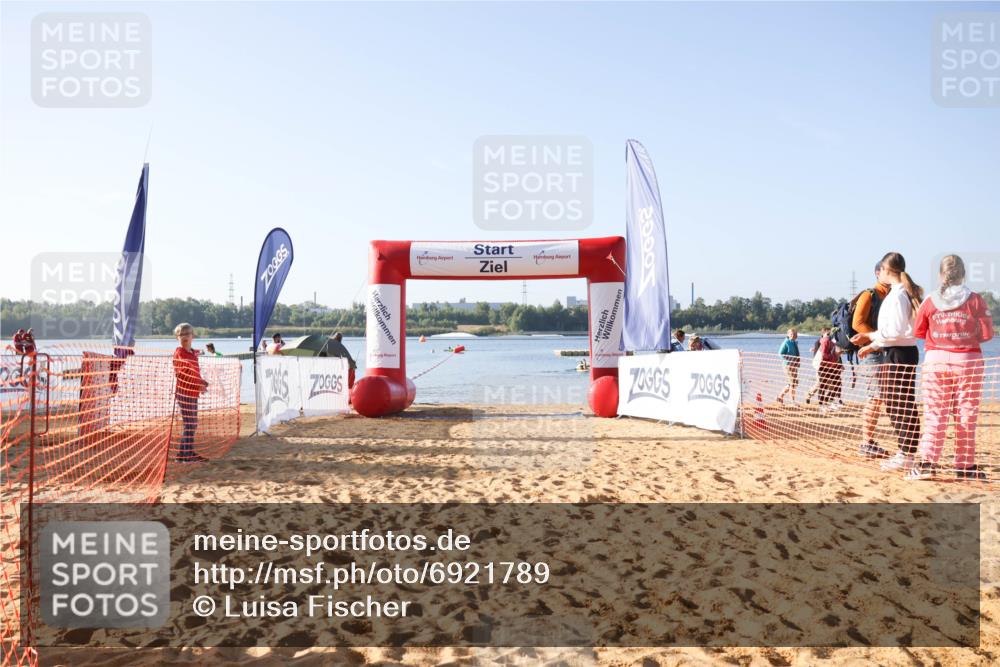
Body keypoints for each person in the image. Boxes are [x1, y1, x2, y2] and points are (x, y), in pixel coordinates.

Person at [907, 255, 994, 481]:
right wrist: (964, 335)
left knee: (935, 413)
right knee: (966, 414)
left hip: (935, 361)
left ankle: (927, 463)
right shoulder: (976, 300)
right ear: (963, 274)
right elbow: (987, 334)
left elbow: (918, 332)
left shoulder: (930, 301)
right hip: (968, 361)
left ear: (940, 275)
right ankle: (965, 466)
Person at [854, 252, 923, 472]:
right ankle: (906, 452)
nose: (878, 273)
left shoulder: (898, 295)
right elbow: (895, 332)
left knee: (899, 404)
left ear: (886, 270)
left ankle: (906, 454)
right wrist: (873, 345)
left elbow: (894, 331)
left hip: (898, 353)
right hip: (897, 351)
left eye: (880, 269)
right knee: (897, 403)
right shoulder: (899, 292)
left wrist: (870, 337)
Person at [852, 261, 892, 459]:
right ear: (877, 273)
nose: (891, 275)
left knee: (880, 397)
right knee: (874, 397)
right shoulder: (869, 295)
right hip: (871, 352)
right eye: (887, 271)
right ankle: (866, 442)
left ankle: (869, 441)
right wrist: (877, 339)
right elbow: (857, 323)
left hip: (884, 350)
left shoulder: (892, 295)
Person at [172, 323, 209, 463]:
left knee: (192, 424)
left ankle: (184, 454)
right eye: (181, 334)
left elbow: (194, 373)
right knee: (190, 424)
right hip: (184, 392)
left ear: (193, 336)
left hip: (192, 393)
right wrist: (198, 384)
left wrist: (201, 381)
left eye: (188, 333)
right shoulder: (180, 353)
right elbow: (183, 374)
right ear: (177, 337)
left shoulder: (193, 353)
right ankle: (185, 455)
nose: (185, 336)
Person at [777, 328, 800, 404]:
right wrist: (789, 360)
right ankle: (792, 402)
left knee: (794, 383)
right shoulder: (786, 342)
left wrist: (797, 362)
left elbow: (796, 353)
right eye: (792, 334)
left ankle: (780, 396)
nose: (793, 335)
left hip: (794, 365)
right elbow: (780, 354)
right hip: (788, 365)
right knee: (792, 383)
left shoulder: (794, 342)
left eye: (795, 334)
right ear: (788, 334)